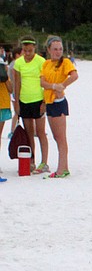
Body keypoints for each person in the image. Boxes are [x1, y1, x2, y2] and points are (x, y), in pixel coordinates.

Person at [40, 36, 78, 178]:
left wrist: (62, 85)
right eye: (55, 49)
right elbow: (42, 82)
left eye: (60, 49)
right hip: (49, 101)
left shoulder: (65, 62)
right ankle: (64, 167)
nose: (58, 52)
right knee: (56, 137)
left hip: (58, 101)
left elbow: (74, 76)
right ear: (49, 50)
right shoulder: (46, 64)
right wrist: (53, 86)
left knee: (61, 137)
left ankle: (62, 169)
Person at [12, 37, 50, 173]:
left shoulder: (41, 61)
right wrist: (16, 103)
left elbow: (46, 81)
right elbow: (17, 83)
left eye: (30, 50)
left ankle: (44, 162)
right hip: (24, 100)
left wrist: (45, 102)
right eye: (25, 50)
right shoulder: (18, 63)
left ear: (34, 48)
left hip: (38, 99)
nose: (28, 53)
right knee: (29, 133)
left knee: (40, 132)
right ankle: (31, 161)